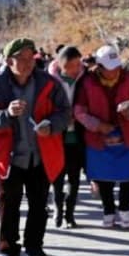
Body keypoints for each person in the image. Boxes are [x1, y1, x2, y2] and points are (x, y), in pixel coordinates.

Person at [0, 38, 70, 256]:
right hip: (10, 157)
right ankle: (9, 251)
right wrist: (7, 114)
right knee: (8, 205)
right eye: (22, 58)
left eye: (31, 57)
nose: (28, 62)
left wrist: (50, 125)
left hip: (41, 155)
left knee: (39, 203)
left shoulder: (48, 83)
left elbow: (64, 113)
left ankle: (34, 245)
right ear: (9, 60)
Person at [74, 44, 129, 228]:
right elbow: (79, 112)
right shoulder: (87, 83)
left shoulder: (127, 79)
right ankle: (108, 211)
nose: (115, 71)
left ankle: (125, 211)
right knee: (103, 177)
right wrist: (98, 125)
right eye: (110, 68)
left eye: (117, 66)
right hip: (98, 137)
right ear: (100, 67)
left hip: (125, 134)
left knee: (128, 176)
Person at [47, 45, 86, 228]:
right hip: (58, 135)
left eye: (79, 64)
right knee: (58, 177)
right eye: (74, 65)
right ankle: (58, 209)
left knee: (75, 178)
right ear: (63, 65)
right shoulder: (51, 82)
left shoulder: (83, 79)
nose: (78, 68)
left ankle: (70, 213)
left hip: (77, 135)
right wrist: (61, 118)